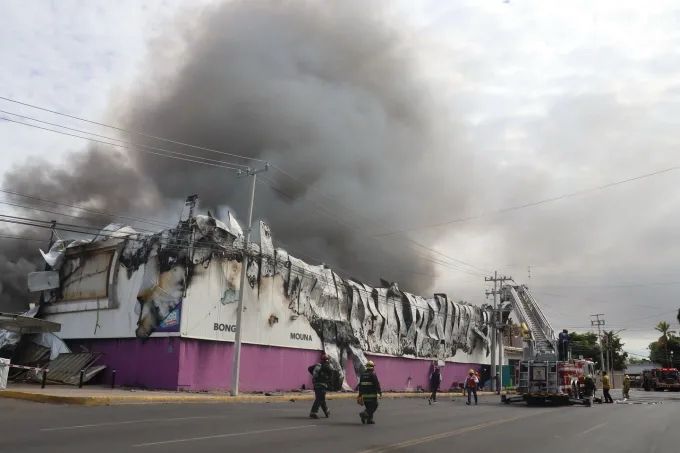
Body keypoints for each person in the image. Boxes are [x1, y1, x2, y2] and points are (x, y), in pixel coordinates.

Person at [308, 354, 332, 419]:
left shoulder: (318, 365)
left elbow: (309, 368)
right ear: (328, 360)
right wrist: (327, 379)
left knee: (321, 398)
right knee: (319, 399)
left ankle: (327, 411)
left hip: (316, 384)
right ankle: (313, 412)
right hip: (322, 385)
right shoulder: (328, 367)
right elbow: (331, 376)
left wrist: (314, 375)